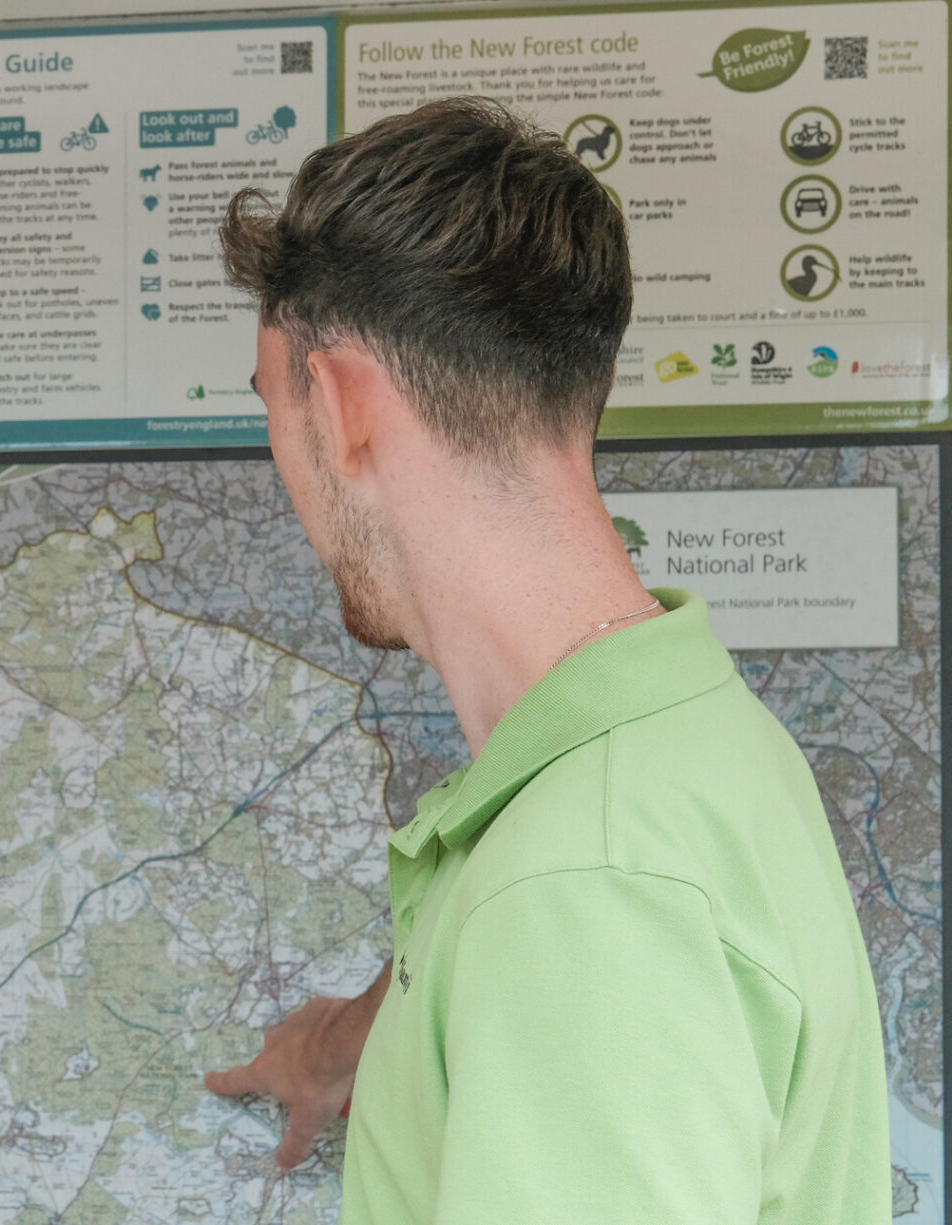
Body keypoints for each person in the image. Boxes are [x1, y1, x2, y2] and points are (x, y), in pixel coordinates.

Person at [204, 97, 888, 1222]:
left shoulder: (586, 891)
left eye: (272, 405)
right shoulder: (683, 741)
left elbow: (584, 940)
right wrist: (353, 1043)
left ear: (339, 407)